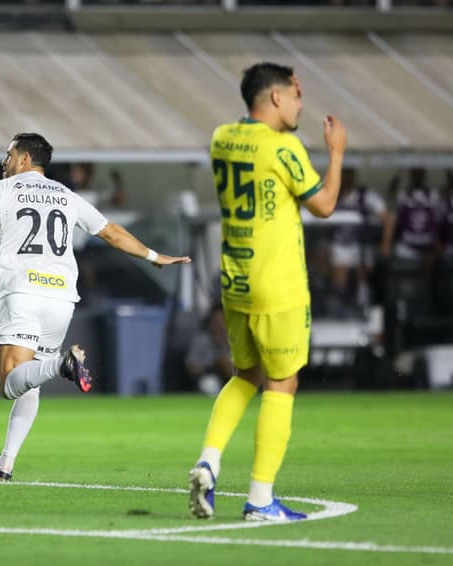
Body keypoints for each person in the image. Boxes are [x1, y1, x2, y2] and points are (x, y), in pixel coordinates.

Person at [0, 133, 189, 482]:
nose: (4, 161)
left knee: (9, 384)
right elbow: (110, 231)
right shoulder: (67, 196)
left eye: (8, 154)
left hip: (22, 292)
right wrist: (153, 256)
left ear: (23, 160)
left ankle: (61, 363)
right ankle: (5, 465)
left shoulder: (2, 190)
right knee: (30, 384)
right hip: (62, 298)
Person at [188, 62, 347, 522]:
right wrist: (335, 152)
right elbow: (325, 205)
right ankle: (260, 499)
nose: (301, 105)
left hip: (235, 281)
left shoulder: (222, 137)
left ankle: (209, 461)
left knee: (245, 375)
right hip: (277, 284)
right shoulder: (284, 147)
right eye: (296, 96)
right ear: (277, 97)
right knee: (282, 383)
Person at [328, 168, 390, 314]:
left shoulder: (366, 196)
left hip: (362, 245)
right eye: (342, 174)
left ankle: (363, 305)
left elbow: (388, 219)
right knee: (339, 270)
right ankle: (338, 306)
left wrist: (385, 244)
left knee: (362, 270)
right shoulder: (331, 196)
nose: (344, 178)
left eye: (347, 174)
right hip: (339, 245)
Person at [184, 306, 232, 396]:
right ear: (210, 323)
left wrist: (225, 366)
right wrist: (212, 365)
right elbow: (191, 368)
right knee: (209, 382)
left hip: (232, 383)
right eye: (215, 322)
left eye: (222, 322)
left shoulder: (237, 342)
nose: (219, 326)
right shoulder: (201, 340)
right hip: (209, 379)